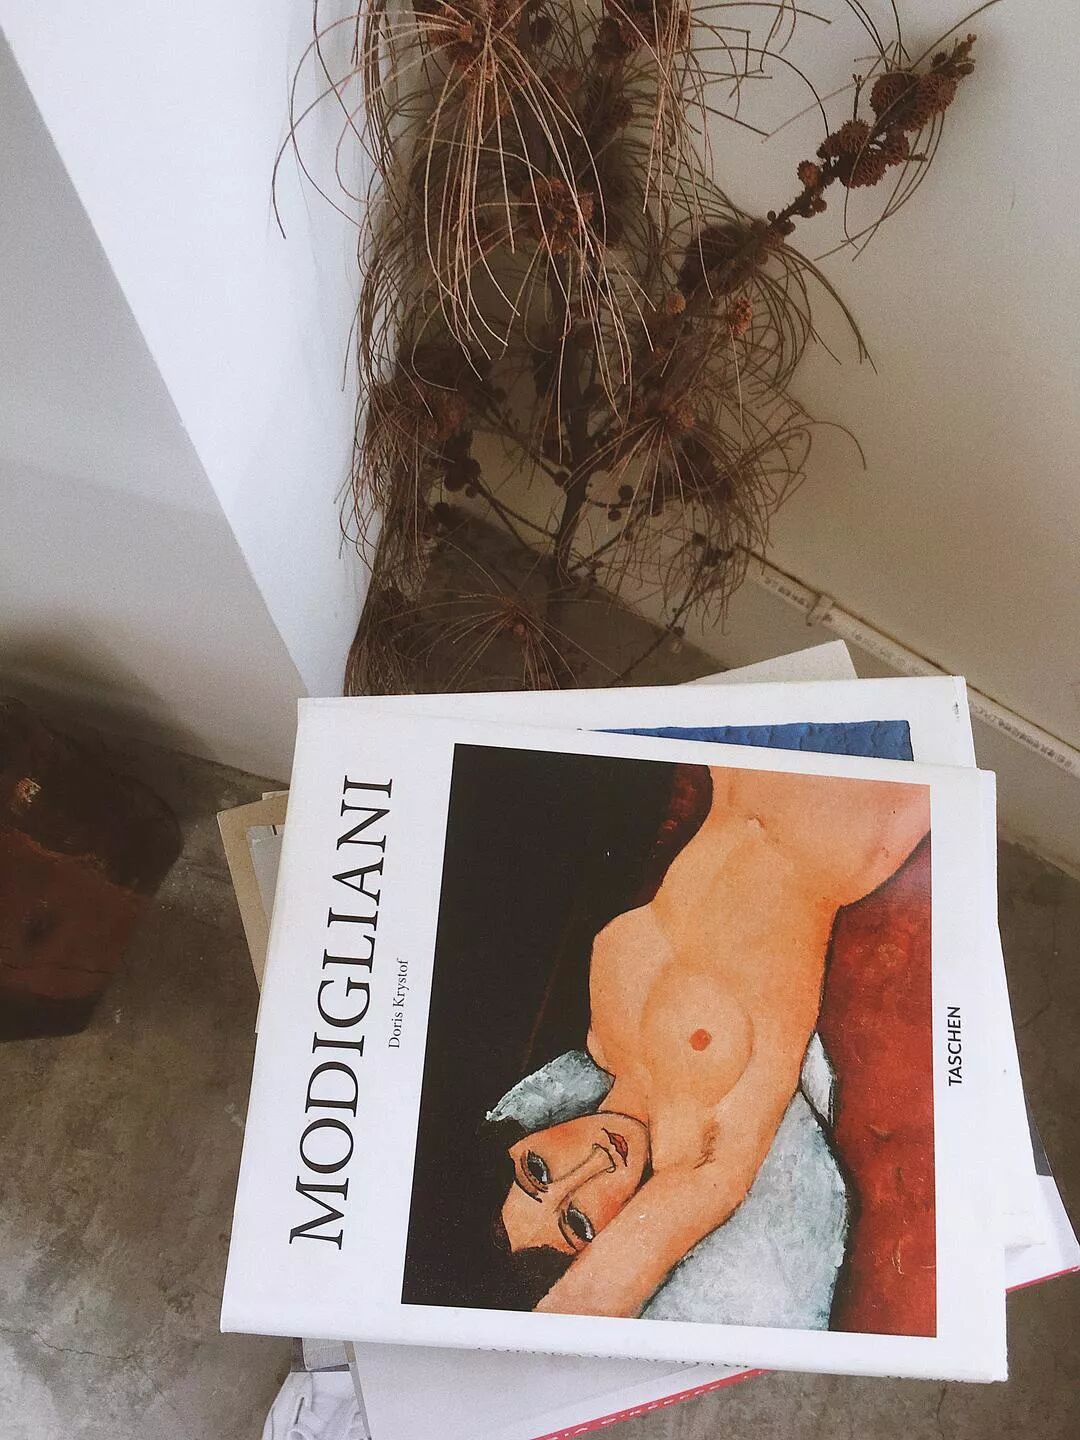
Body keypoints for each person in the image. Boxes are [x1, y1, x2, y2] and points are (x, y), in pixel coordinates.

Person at [498, 764, 930, 1319]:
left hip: (745, 771)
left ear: (520, 1141)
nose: (590, 1167)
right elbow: (581, 1309)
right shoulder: (699, 1157)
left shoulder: (603, 1043)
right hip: (842, 824)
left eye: (536, 1171)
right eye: (578, 1222)